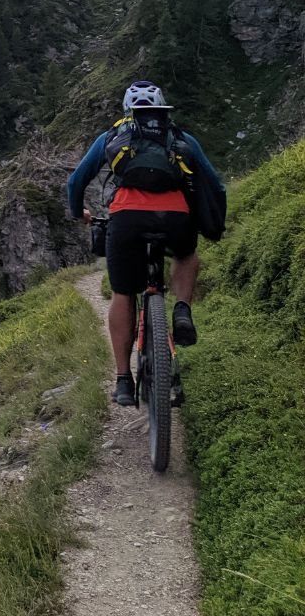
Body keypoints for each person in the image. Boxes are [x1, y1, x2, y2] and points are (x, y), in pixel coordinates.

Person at [66, 79, 225, 406]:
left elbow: (76, 180)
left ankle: (124, 380)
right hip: (176, 219)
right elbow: (216, 185)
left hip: (126, 219)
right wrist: (214, 224)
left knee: (123, 293)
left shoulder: (113, 136)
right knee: (187, 254)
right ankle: (181, 309)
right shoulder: (180, 138)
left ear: (128, 110)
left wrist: (77, 212)